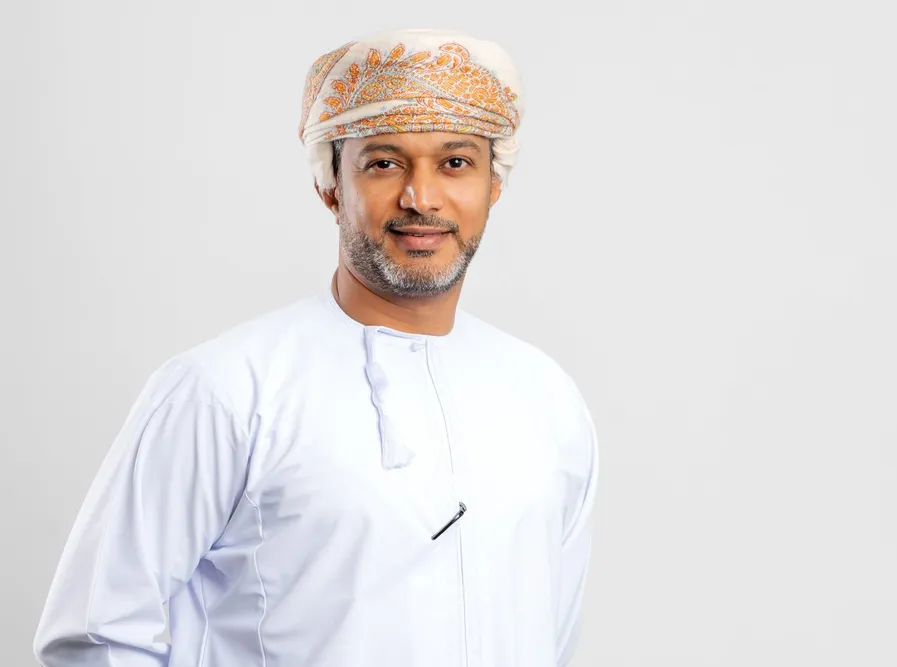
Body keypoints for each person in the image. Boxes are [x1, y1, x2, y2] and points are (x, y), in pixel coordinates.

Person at [33, 28, 599, 667]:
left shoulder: (546, 398)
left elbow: (550, 637)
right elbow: (97, 634)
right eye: (383, 163)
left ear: (493, 184)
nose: (422, 198)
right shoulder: (227, 390)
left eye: (455, 163)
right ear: (329, 185)